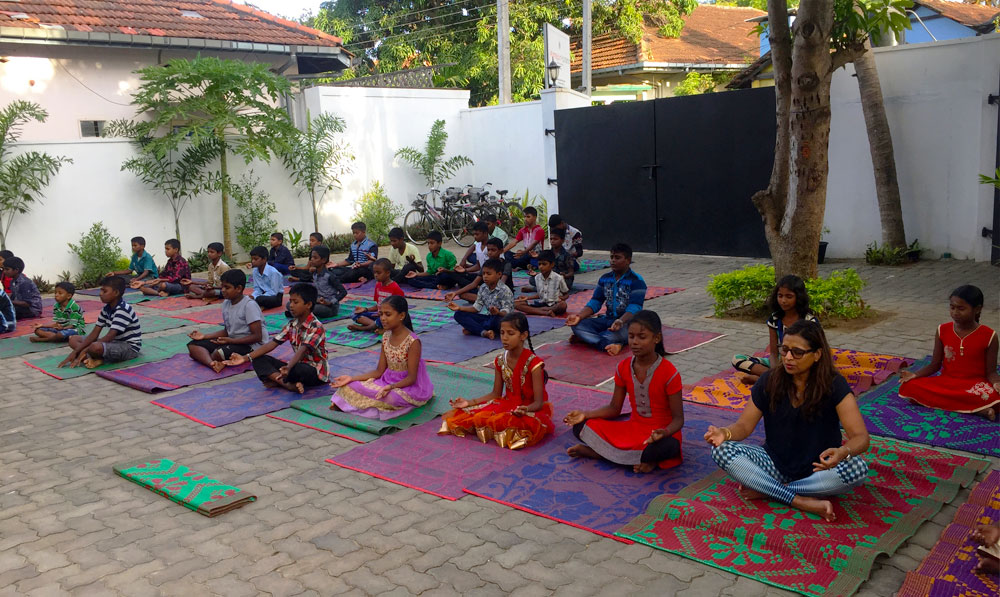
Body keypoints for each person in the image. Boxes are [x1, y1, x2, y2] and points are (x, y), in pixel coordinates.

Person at [704, 320, 871, 522]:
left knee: (858, 468)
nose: (789, 358)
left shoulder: (834, 385)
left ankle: (769, 489)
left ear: (817, 354)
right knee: (721, 449)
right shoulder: (770, 380)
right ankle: (799, 500)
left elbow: (861, 437)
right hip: (774, 464)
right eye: (785, 350)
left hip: (819, 468)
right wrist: (725, 433)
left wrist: (843, 451)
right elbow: (744, 426)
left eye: (797, 352)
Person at [565, 311, 685, 473]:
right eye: (631, 336)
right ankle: (635, 460)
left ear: (656, 338)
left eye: (642, 337)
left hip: (658, 435)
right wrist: (585, 414)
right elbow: (614, 408)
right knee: (580, 427)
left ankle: (600, 453)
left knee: (669, 447)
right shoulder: (623, 367)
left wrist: (664, 432)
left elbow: (678, 419)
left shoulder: (669, 373)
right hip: (632, 429)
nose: (635, 342)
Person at [439, 313, 553, 449]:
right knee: (474, 417)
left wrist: (526, 409)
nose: (504, 338)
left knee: (515, 424)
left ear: (523, 335)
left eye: (510, 333)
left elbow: (539, 403)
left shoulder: (534, 364)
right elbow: (495, 393)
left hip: (528, 408)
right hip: (507, 404)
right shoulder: (500, 360)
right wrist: (469, 402)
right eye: (502, 333)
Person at [899, 284, 1000, 419]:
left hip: (974, 386)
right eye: (952, 307)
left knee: (993, 395)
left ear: (977, 309)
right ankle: (978, 409)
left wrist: (996, 383)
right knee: (910, 386)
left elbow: (991, 372)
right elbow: (935, 365)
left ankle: (973, 407)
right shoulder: (943, 330)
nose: (955, 312)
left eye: (961, 308)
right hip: (947, 383)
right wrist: (914, 375)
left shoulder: (990, 335)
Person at [330, 295, 434, 419]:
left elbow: (411, 378)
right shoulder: (386, 336)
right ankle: (371, 406)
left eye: (388, 314)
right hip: (385, 381)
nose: (383, 319)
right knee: (349, 386)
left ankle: (360, 406)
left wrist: (392, 387)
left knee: (390, 397)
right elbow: (379, 371)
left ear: (401, 316)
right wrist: (351, 378)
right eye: (381, 314)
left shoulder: (413, 342)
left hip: (406, 386)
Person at [225, 283, 329, 394]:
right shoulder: (292, 324)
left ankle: (279, 380)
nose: (291, 306)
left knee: (299, 369)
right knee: (258, 359)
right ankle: (288, 384)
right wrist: (245, 358)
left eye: (296, 302)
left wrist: (288, 368)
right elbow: (273, 343)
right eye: (290, 301)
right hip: (293, 366)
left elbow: (302, 350)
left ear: (308, 304)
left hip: (314, 372)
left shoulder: (316, 326)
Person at [732, 275, 819, 385]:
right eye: (780, 296)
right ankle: (774, 378)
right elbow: (773, 353)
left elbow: (815, 350)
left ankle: (765, 380)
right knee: (738, 359)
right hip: (780, 361)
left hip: (801, 362)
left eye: (789, 296)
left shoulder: (809, 321)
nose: (783, 300)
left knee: (808, 376)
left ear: (799, 297)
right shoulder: (775, 319)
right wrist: (776, 371)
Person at [566, 243, 646, 355]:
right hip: (608, 320)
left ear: (628, 260)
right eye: (611, 257)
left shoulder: (637, 280)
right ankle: (614, 344)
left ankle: (591, 339)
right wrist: (579, 316)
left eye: (617, 258)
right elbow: (596, 301)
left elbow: (635, 307)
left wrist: (620, 321)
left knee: (611, 334)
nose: (613, 261)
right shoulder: (605, 278)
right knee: (577, 326)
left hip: (627, 323)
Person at [186, 269, 268, 373]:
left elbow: (257, 336)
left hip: (252, 345)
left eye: (227, 287)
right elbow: (227, 331)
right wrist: (204, 336)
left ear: (238, 288)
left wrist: (231, 341)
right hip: (233, 340)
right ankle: (212, 364)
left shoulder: (249, 305)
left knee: (218, 353)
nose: (223, 290)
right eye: (222, 287)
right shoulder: (226, 303)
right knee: (193, 345)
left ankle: (206, 358)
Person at [59, 276, 142, 369]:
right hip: (114, 343)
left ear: (116, 293)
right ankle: (92, 359)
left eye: (104, 291)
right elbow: (94, 334)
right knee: (74, 339)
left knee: (95, 347)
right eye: (101, 290)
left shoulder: (122, 310)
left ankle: (93, 358)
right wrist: (74, 352)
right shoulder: (106, 309)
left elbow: (110, 336)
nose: (100, 294)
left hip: (129, 348)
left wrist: (84, 350)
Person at [447, 259, 513, 340]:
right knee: (459, 314)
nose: (485, 276)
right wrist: (459, 308)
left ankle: (475, 329)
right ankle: (484, 332)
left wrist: (498, 312)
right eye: (483, 273)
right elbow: (476, 308)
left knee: (498, 322)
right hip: (489, 318)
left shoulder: (505, 290)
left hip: (501, 319)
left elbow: (507, 313)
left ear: (499, 274)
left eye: (489, 274)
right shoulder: (483, 287)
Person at [444, 238, 514, 303]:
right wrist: (455, 293)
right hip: (488, 292)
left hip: (502, 292)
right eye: (488, 250)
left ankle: (487, 300)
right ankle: (488, 300)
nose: (490, 252)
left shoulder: (506, 264)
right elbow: (474, 284)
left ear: (501, 251)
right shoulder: (486, 264)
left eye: (493, 250)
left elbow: (501, 283)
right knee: (462, 294)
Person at [289, 245, 347, 320]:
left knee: (312, 308)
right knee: (290, 304)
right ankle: (299, 312)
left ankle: (298, 313)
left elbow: (343, 292)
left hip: (329, 307)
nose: (312, 260)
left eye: (315, 258)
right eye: (311, 257)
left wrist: (330, 302)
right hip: (317, 302)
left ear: (323, 260)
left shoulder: (329, 276)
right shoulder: (315, 274)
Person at [349, 259, 404, 333]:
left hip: (388, 317)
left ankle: (363, 328)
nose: (375, 275)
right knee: (354, 314)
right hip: (379, 316)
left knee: (385, 320)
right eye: (374, 272)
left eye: (378, 273)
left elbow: (400, 309)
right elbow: (378, 305)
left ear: (387, 273)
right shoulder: (378, 285)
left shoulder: (395, 288)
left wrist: (384, 314)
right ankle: (375, 326)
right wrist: (365, 309)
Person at [439, 222, 490, 291]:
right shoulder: (477, 246)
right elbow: (478, 266)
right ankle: (473, 287)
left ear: (485, 233)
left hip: (488, 276)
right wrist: (464, 271)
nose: (475, 236)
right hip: (480, 275)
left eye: (477, 234)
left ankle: (474, 287)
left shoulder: (491, 247)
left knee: (461, 281)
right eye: (474, 234)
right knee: (451, 275)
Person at [515, 250, 568, 316]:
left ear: (552, 264)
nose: (541, 267)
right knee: (516, 304)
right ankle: (545, 312)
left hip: (554, 304)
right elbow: (540, 294)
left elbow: (566, 294)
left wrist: (562, 298)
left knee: (563, 305)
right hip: (541, 303)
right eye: (539, 264)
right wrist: (527, 298)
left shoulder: (559, 278)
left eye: (544, 264)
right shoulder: (537, 277)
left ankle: (540, 310)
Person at [248, 246, 285, 310]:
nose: (253, 261)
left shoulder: (273, 272)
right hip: (263, 294)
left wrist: (257, 298)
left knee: (259, 299)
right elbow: (257, 288)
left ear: (264, 259)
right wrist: (253, 296)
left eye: (256, 259)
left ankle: (261, 305)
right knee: (247, 299)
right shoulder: (255, 271)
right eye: (252, 259)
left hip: (275, 297)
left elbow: (274, 292)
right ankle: (260, 305)